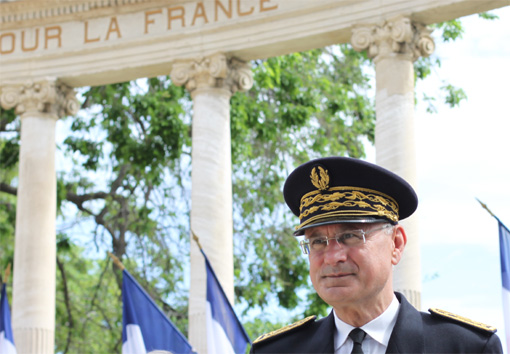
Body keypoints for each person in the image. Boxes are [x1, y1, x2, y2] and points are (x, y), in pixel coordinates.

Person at [250, 156, 503, 353]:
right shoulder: (276, 351)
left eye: (350, 236)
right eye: (317, 241)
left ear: (396, 243)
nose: (331, 257)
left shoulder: (466, 348)